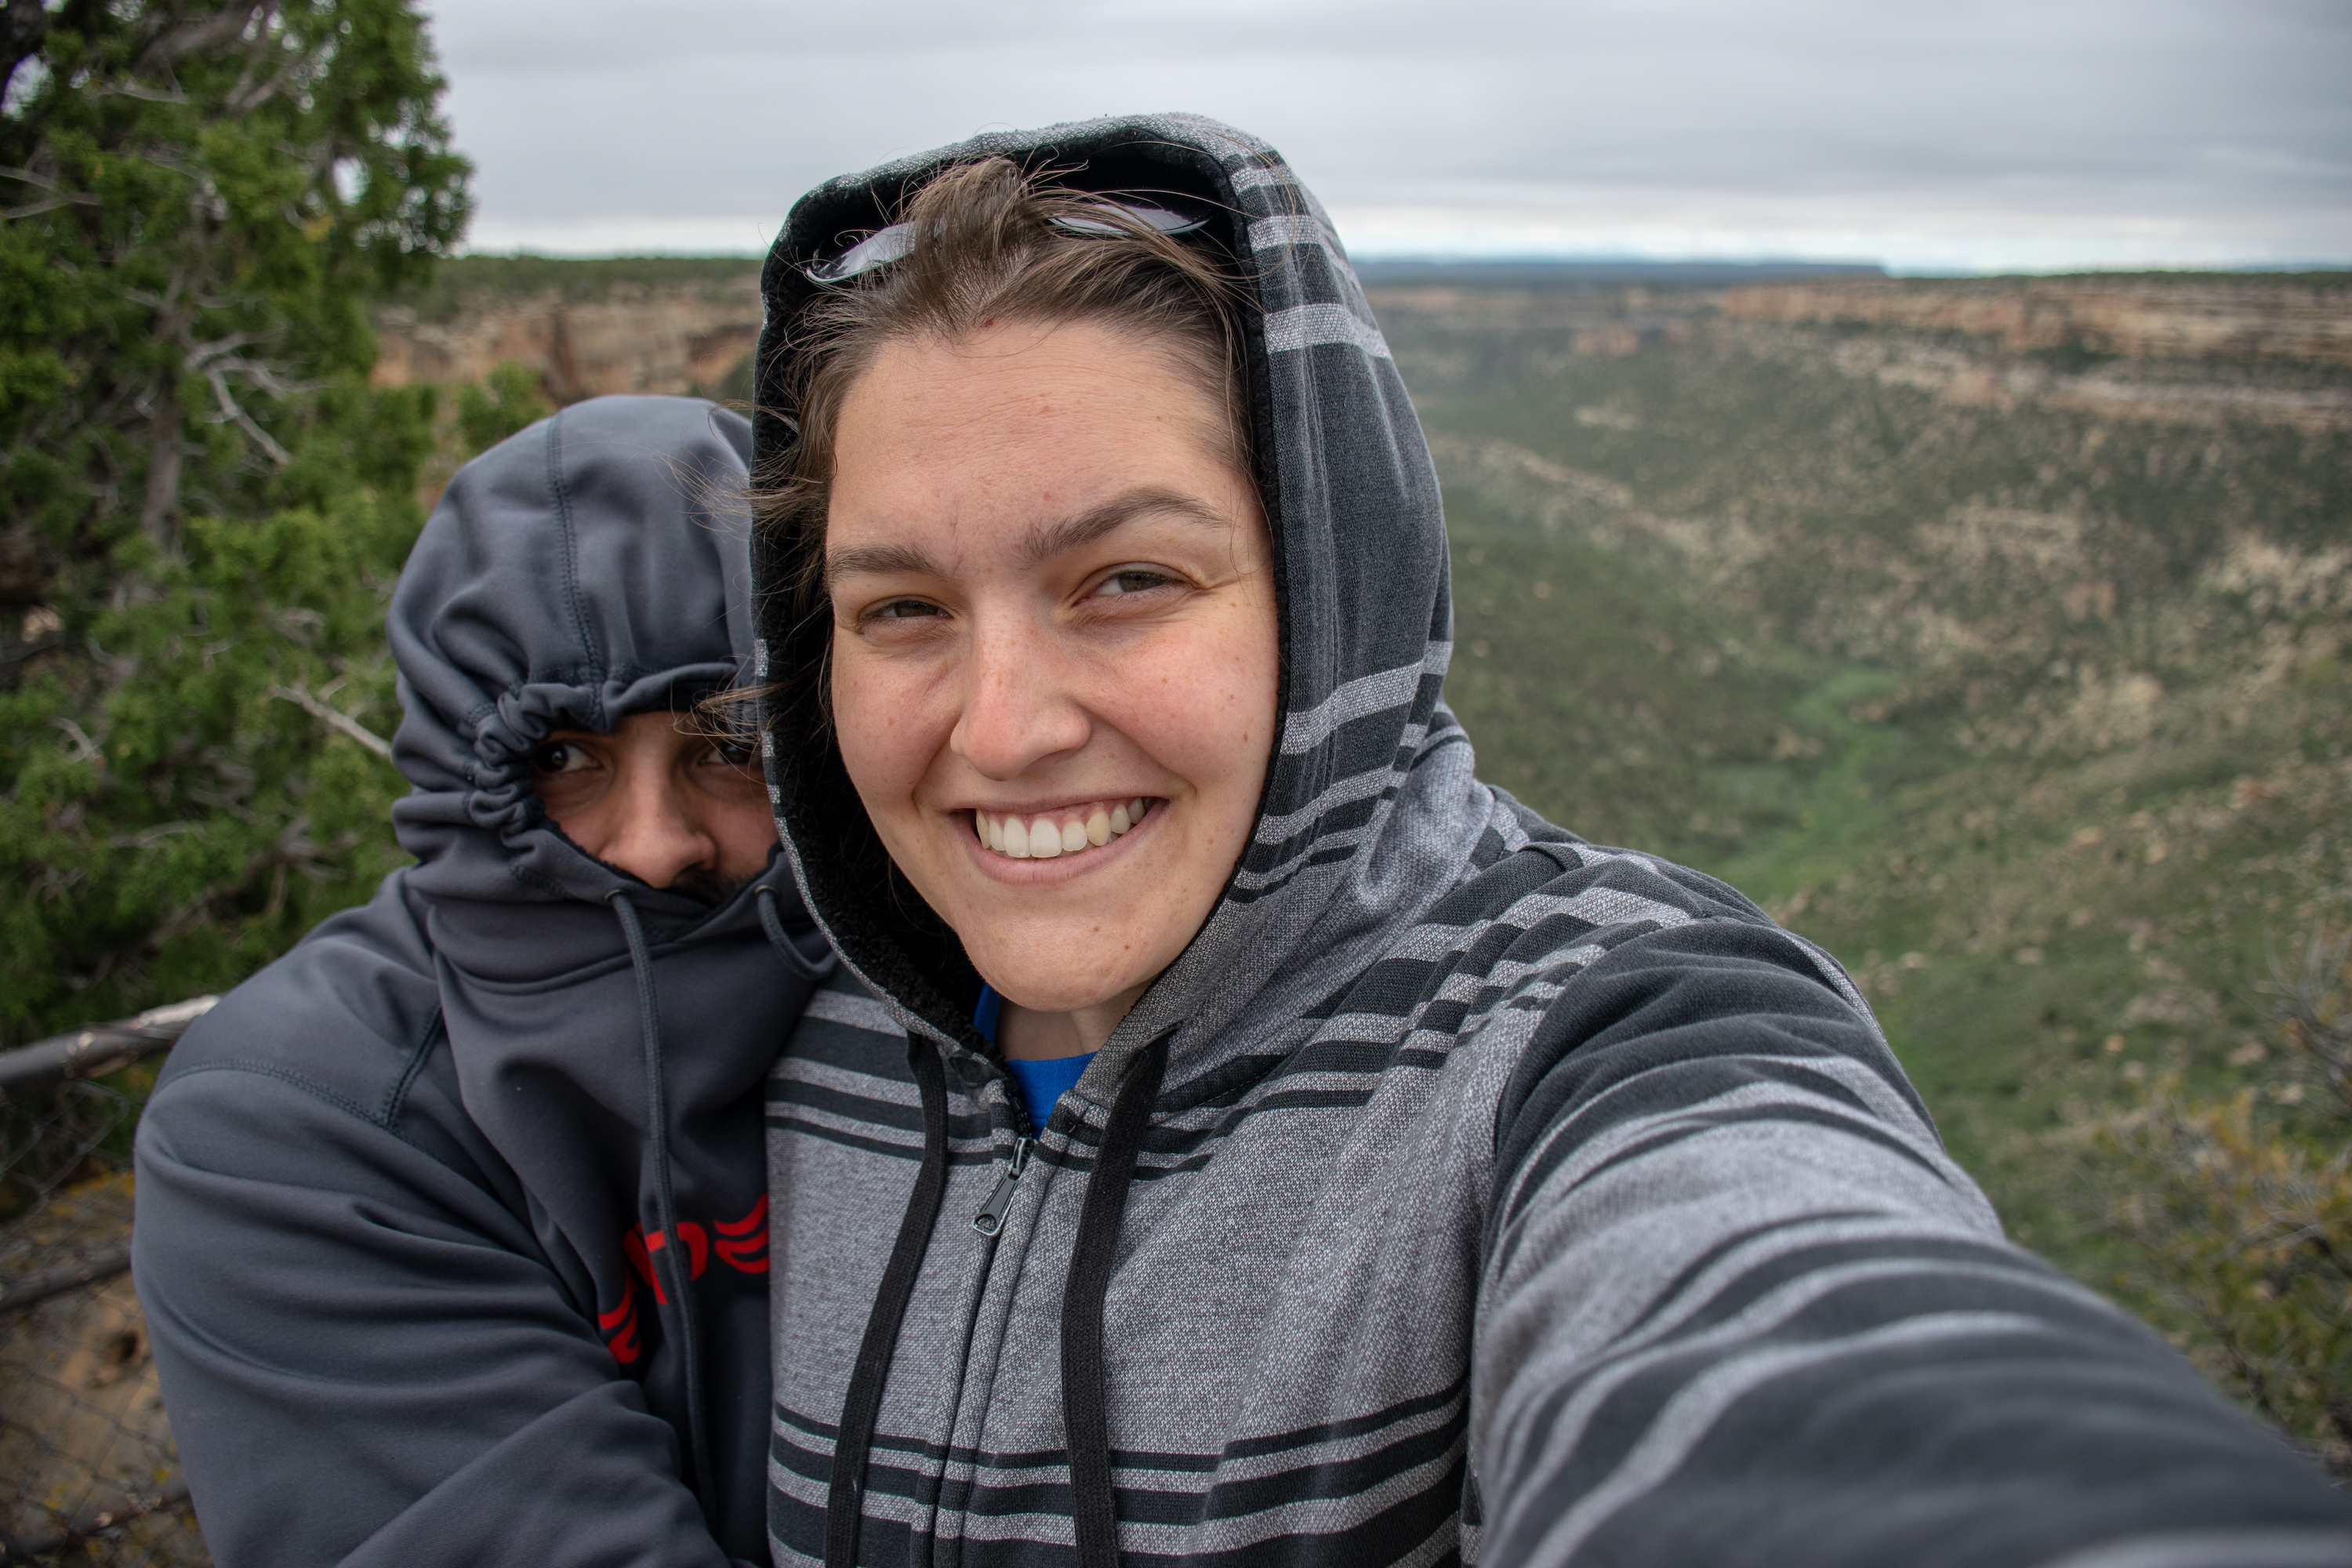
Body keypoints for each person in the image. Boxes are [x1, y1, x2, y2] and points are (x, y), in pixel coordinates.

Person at [745, 118, 2352, 1568]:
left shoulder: (1582, 1033)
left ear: (1330, 582)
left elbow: (1773, 1295)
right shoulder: (772, 1040)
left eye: (1127, 580)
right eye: (903, 611)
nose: (1003, 725)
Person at [133, 395, 831, 1566]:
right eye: (563, 760)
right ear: (461, 760)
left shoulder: (940, 995)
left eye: (730, 750)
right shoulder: (294, 1126)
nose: (653, 843)